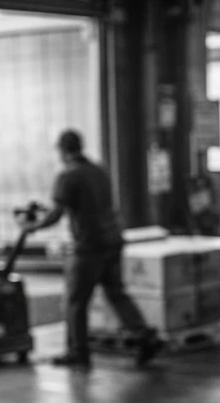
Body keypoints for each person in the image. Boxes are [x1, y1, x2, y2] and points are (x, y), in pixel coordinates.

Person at [23, 129, 153, 366]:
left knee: (75, 301)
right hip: (113, 240)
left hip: (90, 246)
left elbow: (56, 213)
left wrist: (33, 227)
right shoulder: (99, 170)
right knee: (116, 293)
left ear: (63, 150)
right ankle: (144, 335)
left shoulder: (68, 176)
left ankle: (78, 352)